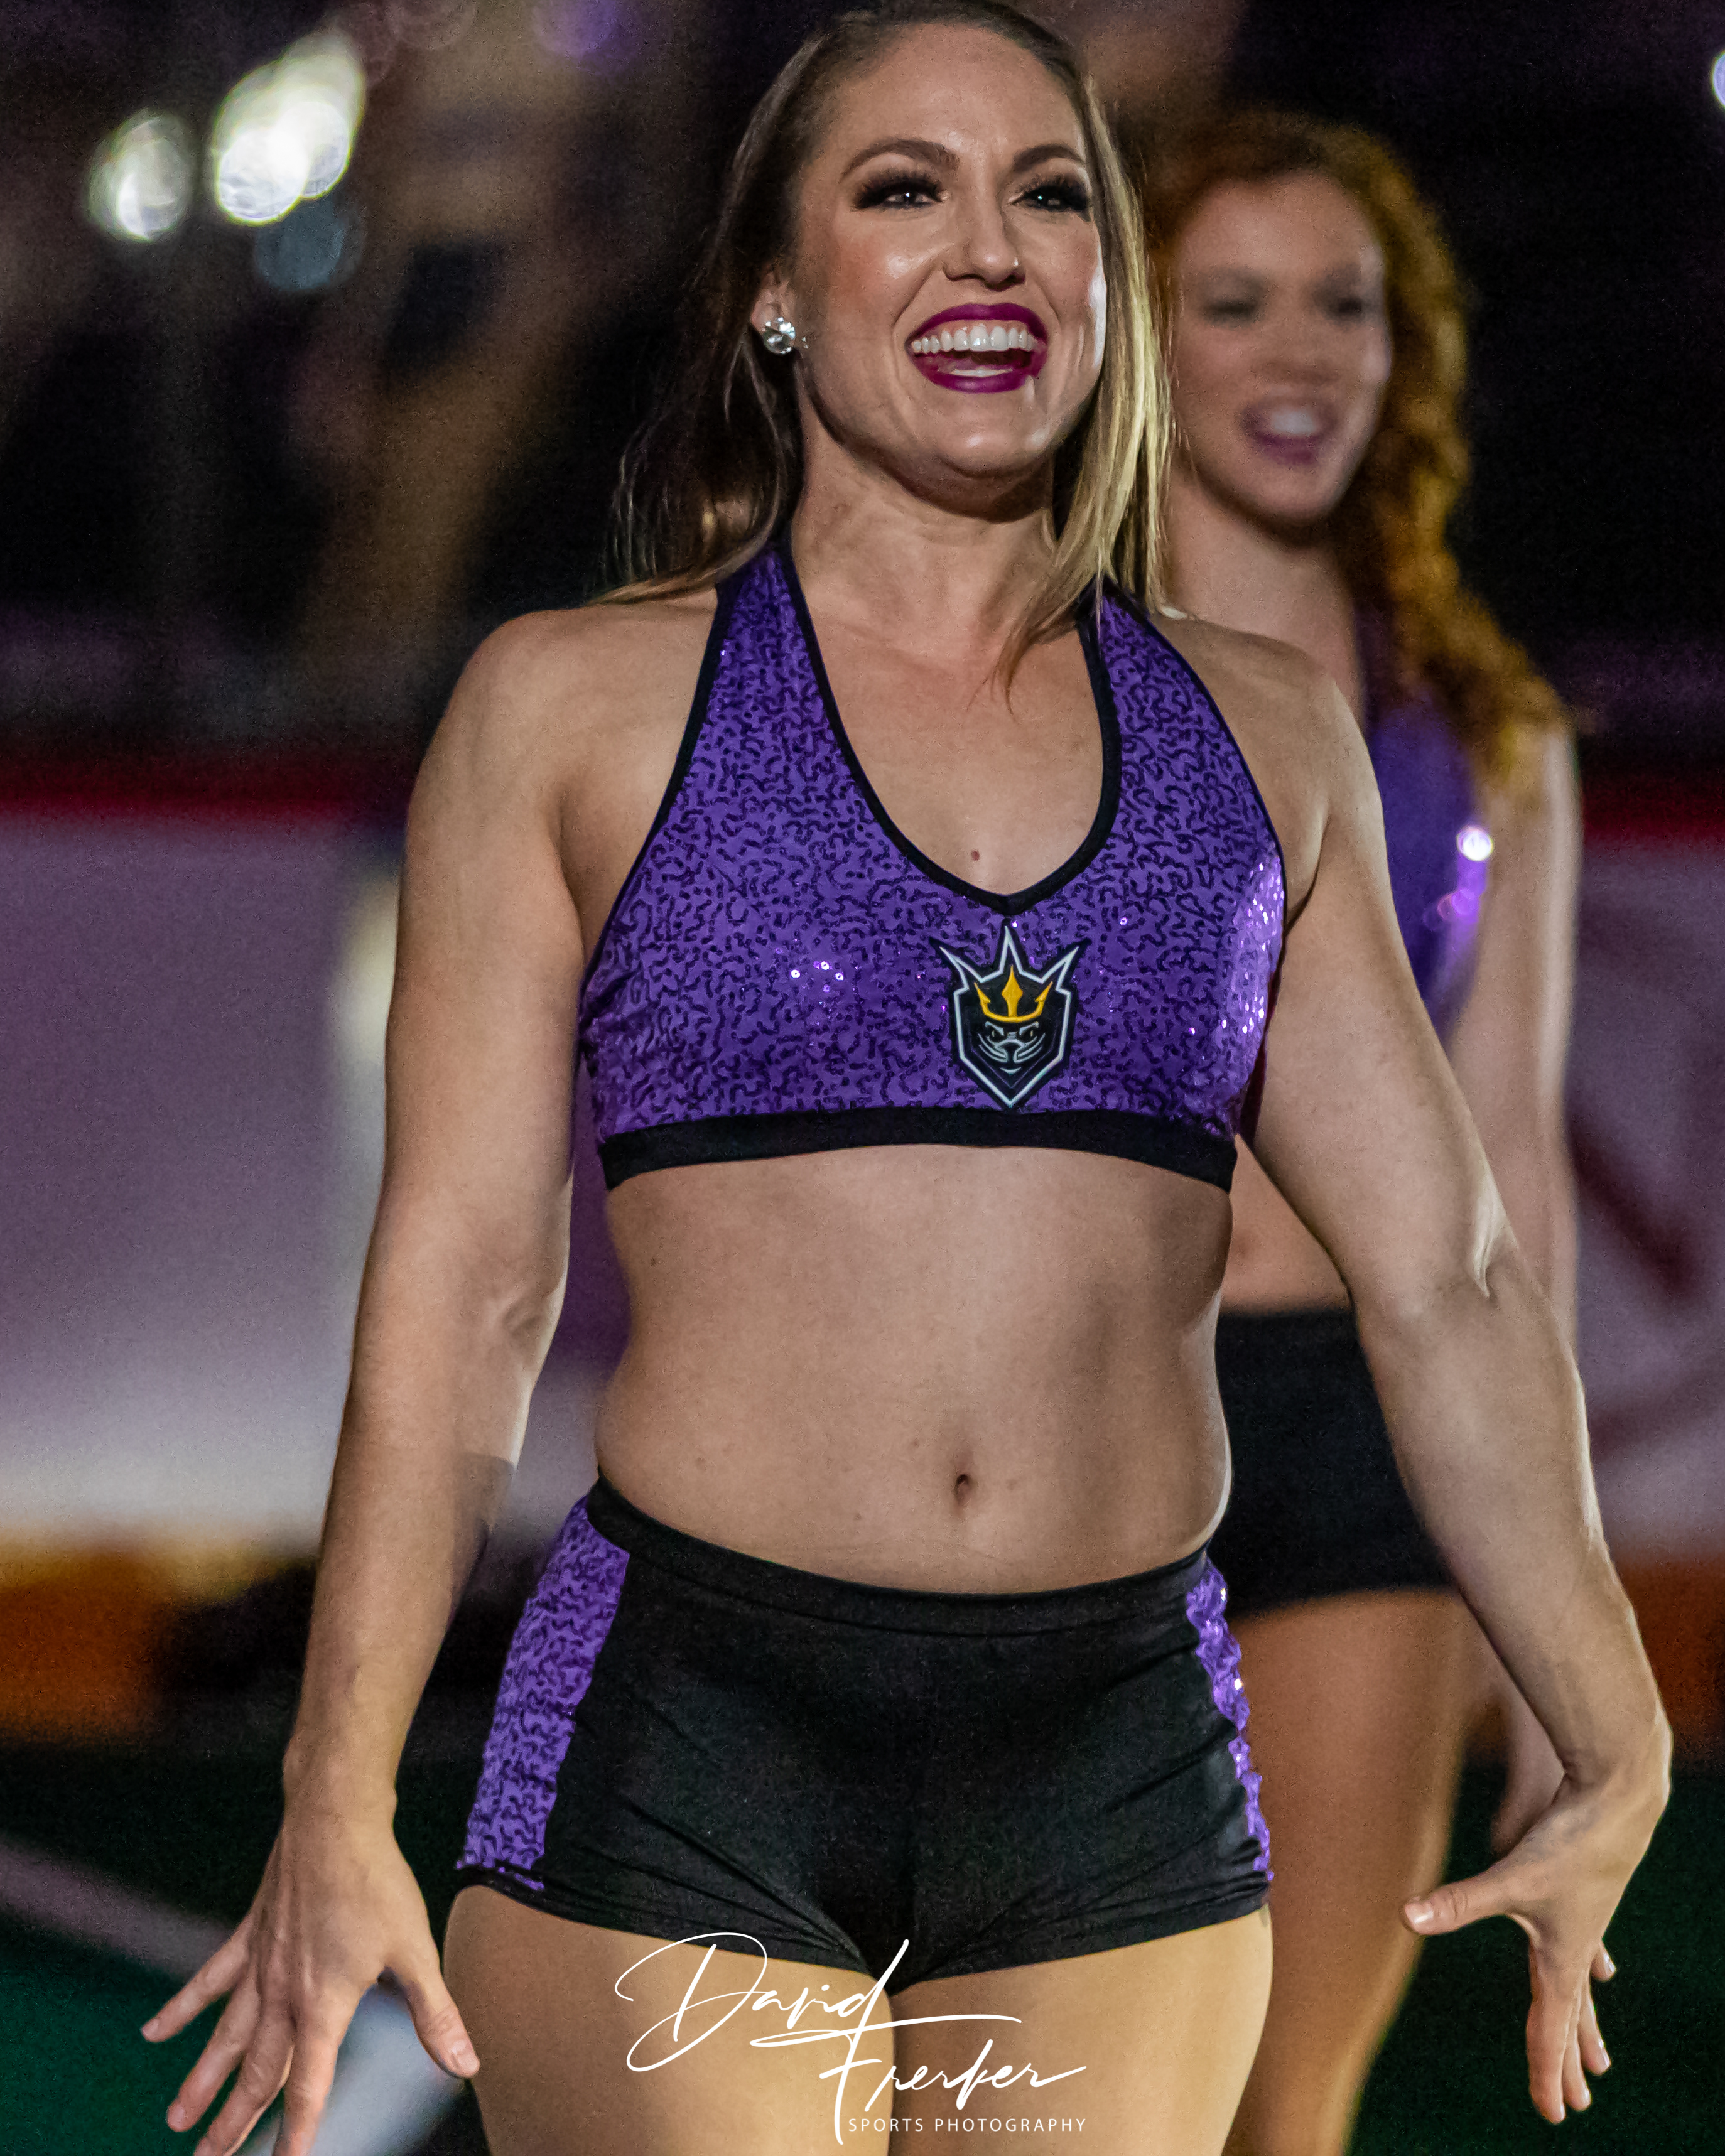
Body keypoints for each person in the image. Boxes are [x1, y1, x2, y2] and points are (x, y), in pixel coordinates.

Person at [143, 9, 1667, 2154]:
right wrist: (334, 1787)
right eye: (902, 189)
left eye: (1048, 193)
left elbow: (1454, 1276)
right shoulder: (572, 707)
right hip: (693, 1740)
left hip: (1112, 1771)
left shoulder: (1265, 739)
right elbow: (466, 1288)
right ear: (775, 288)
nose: (989, 247)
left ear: (1105, 285)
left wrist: (1610, 1719)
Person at [1137, 109, 1587, 2155]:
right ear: (1139, 336)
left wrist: (1545, 1601)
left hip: (1367, 1435)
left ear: (1405, 354)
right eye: (1232, 301)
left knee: (1283, 2104)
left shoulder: (1481, 728)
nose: (1297, 350)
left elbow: (1509, 1187)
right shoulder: (1031, 669)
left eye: (1344, 303)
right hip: (1085, 1417)